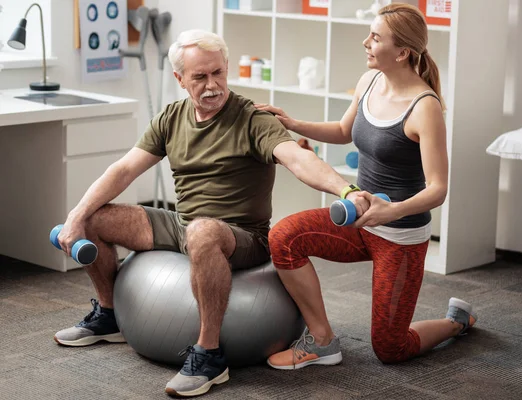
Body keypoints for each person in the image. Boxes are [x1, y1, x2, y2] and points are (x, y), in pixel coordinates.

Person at [53, 29, 367, 397]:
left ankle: (209, 354)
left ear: (227, 67)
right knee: (94, 217)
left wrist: (348, 189)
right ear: (180, 79)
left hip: (242, 236)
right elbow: (123, 170)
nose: (212, 84)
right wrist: (76, 215)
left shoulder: (253, 118)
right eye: (200, 77)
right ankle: (109, 315)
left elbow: (299, 159)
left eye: (218, 72)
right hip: (182, 223)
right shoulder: (171, 118)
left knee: (202, 232)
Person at [255, 3, 477, 370]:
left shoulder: (425, 107)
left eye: (375, 38)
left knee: (391, 349)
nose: (365, 43)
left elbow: (438, 188)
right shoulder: (369, 81)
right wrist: (293, 123)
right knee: (284, 239)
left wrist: (393, 210)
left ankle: (456, 321)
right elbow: (344, 131)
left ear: (402, 52)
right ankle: (322, 342)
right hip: (359, 221)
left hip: (400, 235)